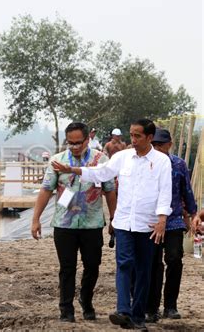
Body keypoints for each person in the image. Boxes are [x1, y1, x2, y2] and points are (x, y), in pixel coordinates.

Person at [51, 118, 172, 330]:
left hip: (148, 225)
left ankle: (138, 317)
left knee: (144, 270)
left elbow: (165, 192)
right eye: (131, 135)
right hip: (124, 222)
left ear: (149, 137)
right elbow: (102, 172)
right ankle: (123, 310)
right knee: (124, 265)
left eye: (137, 136)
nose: (132, 140)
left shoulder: (162, 161)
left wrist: (162, 219)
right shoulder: (122, 157)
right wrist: (74, 170)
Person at [31, 122, 117, 323]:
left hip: (92, 224)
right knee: (67, 267)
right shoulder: (57, 161)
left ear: (88, 139)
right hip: (64, 224)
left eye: (79, 142)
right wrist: (35, 219)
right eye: (71, 143)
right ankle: (66, 310)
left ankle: (86, 300)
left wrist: (114, 218)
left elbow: (110, 190)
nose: (75, 146)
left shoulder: (100, 160)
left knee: (92, 265)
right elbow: (46, 190)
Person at [144, 129, 197, 322]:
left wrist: (192, 213)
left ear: (169, 145)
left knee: (174, 259)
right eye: (154, 145)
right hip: (151, 221)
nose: (157, 148)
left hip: (173, 220)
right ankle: (151, 308)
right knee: (153, 264)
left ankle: (170, 306)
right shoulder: (147, 163)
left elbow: (186, 190)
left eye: (161, 145)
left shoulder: (179, 164)